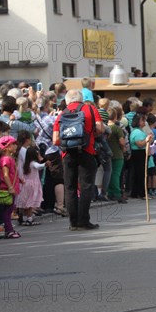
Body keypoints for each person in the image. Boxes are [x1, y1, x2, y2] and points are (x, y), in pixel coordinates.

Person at [52, 90, 104, 231]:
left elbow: (55, 139)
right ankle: (84, 221)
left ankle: (73, 222)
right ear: (81, 99)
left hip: (68, 154)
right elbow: (100, 129)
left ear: (68, 101)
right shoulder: (91, 109)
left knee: (70, 188)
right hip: (87, 150)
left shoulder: (62, 113)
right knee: (86, 186)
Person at [15, 146, 46, 226]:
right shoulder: (32, 163)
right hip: (32, 185)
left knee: (25, 203)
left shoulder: (25, 164)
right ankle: (29, 219)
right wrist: (45, 164)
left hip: (25, 184)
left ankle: (25, 219)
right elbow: (38, 166)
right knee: (30, 203)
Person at [0, 136, 21, 238]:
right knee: (7, 211)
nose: (16, 146)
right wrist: (10, 187)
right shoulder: (6, 159)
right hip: (7, 189)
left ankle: (9, 229)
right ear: (6, 147)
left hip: (11, 187)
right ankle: (9, 230)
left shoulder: (10, 158)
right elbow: (5, 174)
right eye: (13, 144)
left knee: (10, 210)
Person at [128, 112, 153, 199]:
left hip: (140, 154)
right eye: (143, 120)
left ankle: (136, 192)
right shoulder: (137, 132)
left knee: (139, 174)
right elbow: (139, 144)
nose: (144, 122)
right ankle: (141, 193)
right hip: (138, 154)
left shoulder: (139, 131)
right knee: (140, 174)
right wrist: (147, 140)